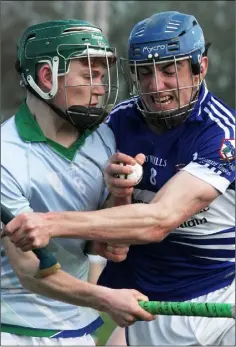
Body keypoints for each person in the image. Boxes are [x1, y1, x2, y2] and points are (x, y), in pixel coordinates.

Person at [4, 11, 235, 346]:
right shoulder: (113, 125)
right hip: (146, 307)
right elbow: (112, 241)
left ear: (201, 67)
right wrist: (119, 193)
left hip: (216, 298)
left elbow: (159, 221)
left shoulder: (222, 135)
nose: (157, 87)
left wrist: (48, 223)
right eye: (144, 73)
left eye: (170, 71)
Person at [1, 19, 156, 346]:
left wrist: (119, 196)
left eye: (102, 76)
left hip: (78, 331)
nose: (100, 87)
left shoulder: (103, 140)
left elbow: (99, 239)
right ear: (46, 77)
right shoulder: (6, 154)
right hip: (14, 330)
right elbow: (32, 270)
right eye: (89, 76)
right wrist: (106, 298)